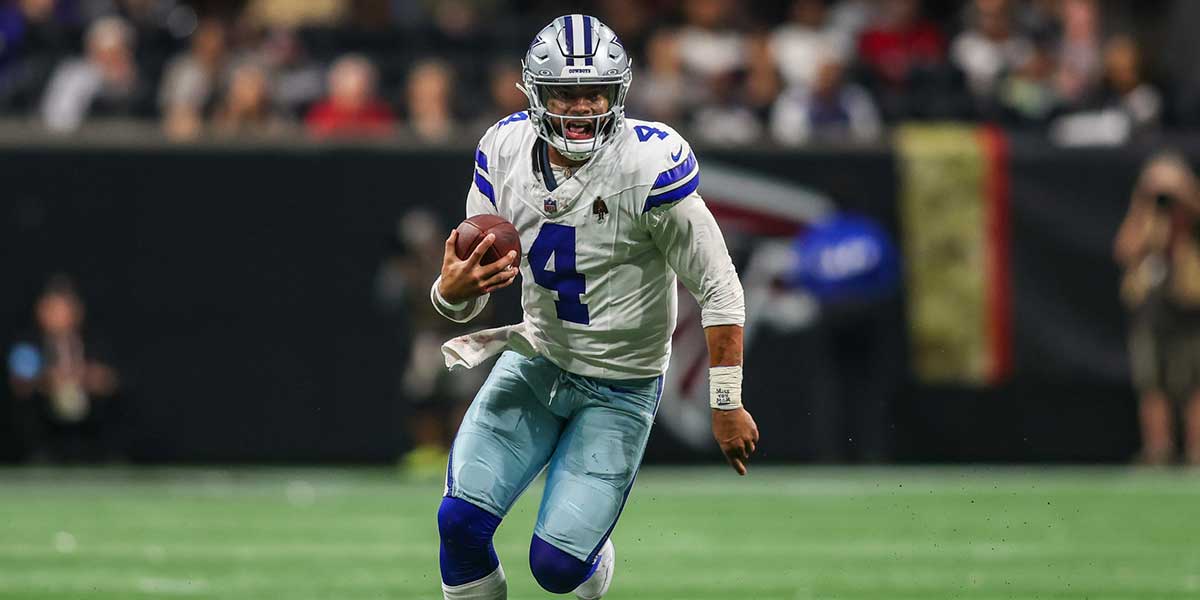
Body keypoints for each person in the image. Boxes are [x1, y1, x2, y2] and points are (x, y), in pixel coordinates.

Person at [429, 14, 758, 600]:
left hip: (621, 385)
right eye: (565, 94)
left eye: (595, 94)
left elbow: (719, 286)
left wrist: (726, 400)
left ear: (618, 94)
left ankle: (585, 548)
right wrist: (448, 294)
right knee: (459, 525)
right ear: (536, 94)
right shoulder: (503, 150)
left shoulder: (646, 165)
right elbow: (465, 294)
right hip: (538, 359)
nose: (581, 108)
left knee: (555, 567)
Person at [1114, 152, 1200, 465]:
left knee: (1194, 383)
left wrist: (1187, 203)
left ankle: (1196, 451)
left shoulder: (1193, 216)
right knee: (1151, 383)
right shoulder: (1145, 216)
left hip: (1191, 307)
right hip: (1152, 308)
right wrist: (1143, 206)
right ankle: (1158, 448)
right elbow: (1124, 251)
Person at [8, 276, 121, 462]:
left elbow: (111, 380)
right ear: (41, 310)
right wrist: (50, 380)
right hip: (45, 428)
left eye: (64, 309)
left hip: (89, 428)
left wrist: (85, 377)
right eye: (52, 309)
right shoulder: (28, 346)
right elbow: (21, 384)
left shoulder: (94, 344)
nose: (58, 316)